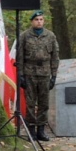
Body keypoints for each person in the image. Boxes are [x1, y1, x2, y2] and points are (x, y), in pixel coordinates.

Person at [15, 10, 59, 142]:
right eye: (36, 20)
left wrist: (54, 75)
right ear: (32, 21)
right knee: (30, 103)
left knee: (44, 103)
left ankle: (41, 130)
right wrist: (21, 75)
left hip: (45, 73)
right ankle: (31, 130)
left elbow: (55, 57)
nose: (39, 21)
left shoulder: (50, 36)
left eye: (41, 19)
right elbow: (20, 56)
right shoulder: (25, 36)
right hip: (30, 73)